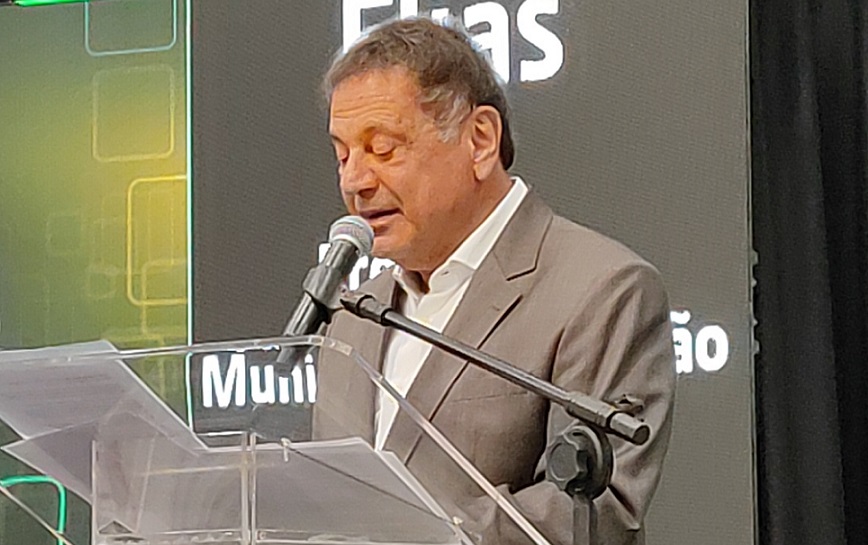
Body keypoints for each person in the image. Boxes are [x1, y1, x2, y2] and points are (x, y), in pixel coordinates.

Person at [312, 17, 675, 545]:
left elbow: (595, 511)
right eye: (343, 154)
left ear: (480, 140)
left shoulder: (603, 290)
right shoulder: (352, 317)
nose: (355, 181)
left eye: (383, 148)